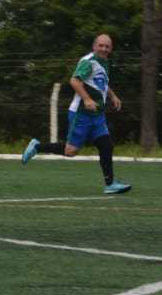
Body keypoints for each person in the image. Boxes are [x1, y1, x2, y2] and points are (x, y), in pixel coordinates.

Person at [21, 33, 132, 194]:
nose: (104, 48)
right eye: (101, 45)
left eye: (107, 46)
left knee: (106, 145)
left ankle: (110, 184)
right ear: (94, 46)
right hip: (81, 114)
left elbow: (101, 83)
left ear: (111, 48)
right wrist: (86, 99)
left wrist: (113, 96)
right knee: (70, 151)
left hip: (97, 115)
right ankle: (37, 147)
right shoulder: (88, 62)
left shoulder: (104, 62)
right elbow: (75, 80)